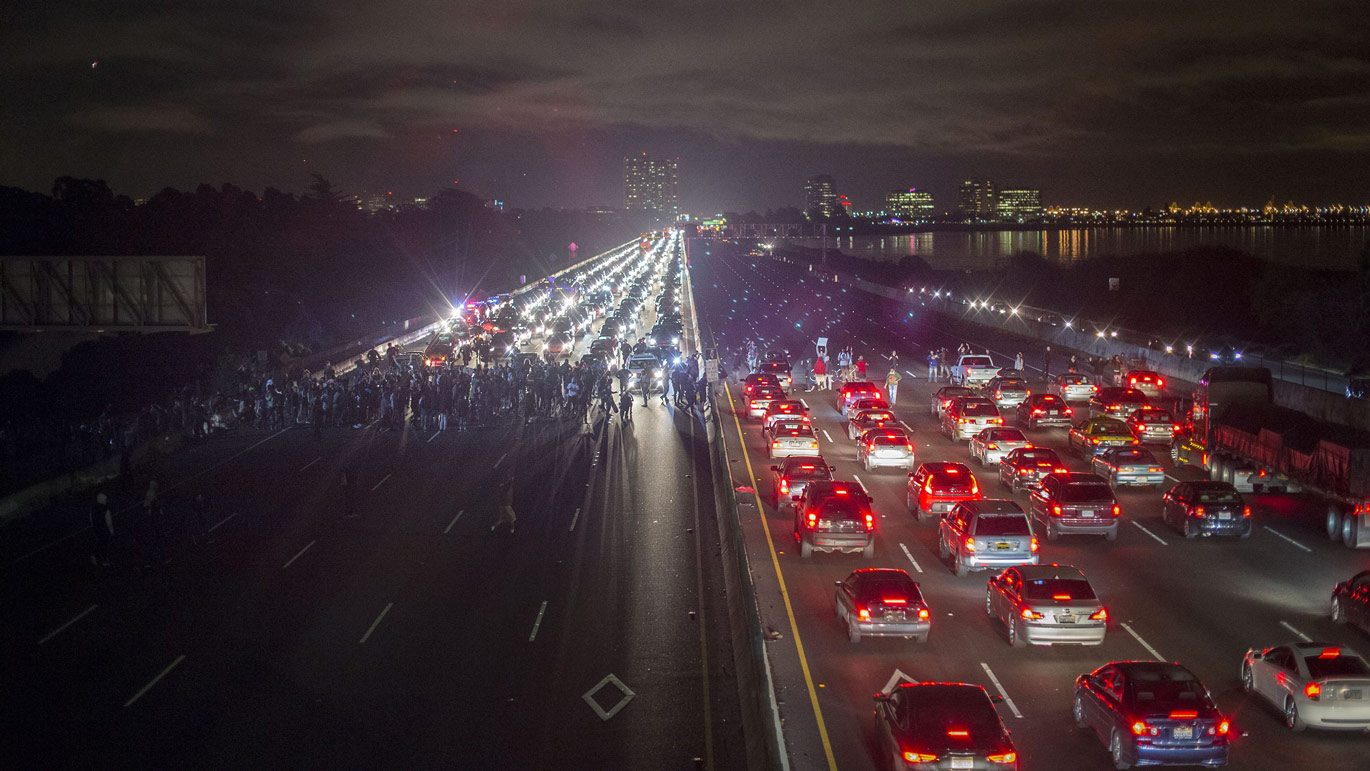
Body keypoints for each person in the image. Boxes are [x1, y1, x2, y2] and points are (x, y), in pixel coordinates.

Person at [90, 492, 113, 567]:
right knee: (105, 545)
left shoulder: (93, 508)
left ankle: (94, 555)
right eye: (105, 499)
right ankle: (105, 561)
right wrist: (111, 530)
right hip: (104, 530)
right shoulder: (106, 509)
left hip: (97, 529)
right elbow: (109, 522)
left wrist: (94, 527)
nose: (106, 500)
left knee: (100, 542)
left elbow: (91, 519)